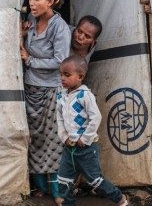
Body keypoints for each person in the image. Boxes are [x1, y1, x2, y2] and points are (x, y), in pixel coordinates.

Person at [20, 0, 71, 199]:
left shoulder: (60, 28)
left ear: (50, 1)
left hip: (51, 90)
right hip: (31, 88)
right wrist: (22, 34)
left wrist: (29, 60)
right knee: (35, 137)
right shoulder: (31, 19)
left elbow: (61, 61)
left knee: (53, 140)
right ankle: (40, 187)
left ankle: (57, 190)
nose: (31, 3)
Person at [55, 55, 128, 206]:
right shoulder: (61, 96)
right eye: (61, 74)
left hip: (86, 148)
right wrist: (64, 137)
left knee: (95, 180)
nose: (62, 78)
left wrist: (85, 138)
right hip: (69, 148)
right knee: (63, 180)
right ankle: (68, 203)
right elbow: (60, 119)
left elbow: (96, 117)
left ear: (80, 76)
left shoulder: (85, 95)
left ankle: (120, 199)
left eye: (67, 75)